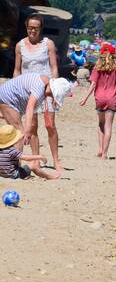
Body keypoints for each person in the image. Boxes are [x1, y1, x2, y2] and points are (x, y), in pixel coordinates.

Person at [14, 14, 62, 169]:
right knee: (32, 126)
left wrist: (53, 88)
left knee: (50, 125)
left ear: (41, 28)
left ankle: (56, 160)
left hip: (46, 89)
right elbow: (17, 70)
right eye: (30, 27)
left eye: (35, 28)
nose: (32, 30)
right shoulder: (20, 45)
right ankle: (36, 160)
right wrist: (17, 88)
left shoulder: (48, 44)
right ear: (26, 27)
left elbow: (54, 67)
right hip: (29, 91)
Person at [0, 74, 74, 165]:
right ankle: (15, 167)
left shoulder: (45, 81)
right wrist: (27, 130)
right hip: (7, 98)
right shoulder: (39, 88)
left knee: (16, 132)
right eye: (52, 93)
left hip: (9, 99)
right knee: (19, 133)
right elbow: (30, 108)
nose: (50, 95)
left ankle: (11, 164)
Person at [79, 44, 116, 158]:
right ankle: (105, 153)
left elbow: (93, 84)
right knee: (108, 126)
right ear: (114, 55)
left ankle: (100, 148)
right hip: (112, 98)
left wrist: (85, 98)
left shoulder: (97, 68)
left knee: (101, 124)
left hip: (100, 98)